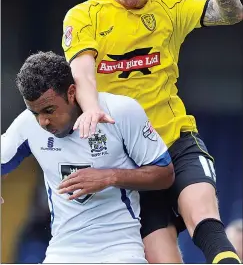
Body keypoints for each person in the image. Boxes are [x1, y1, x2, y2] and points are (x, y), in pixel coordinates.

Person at [62, 0, 243, 264]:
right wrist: (91, 106)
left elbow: (233, 13)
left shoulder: (171, 8)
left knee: (207, 226)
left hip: (175, 140)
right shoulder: (83, 16)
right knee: (164, 259)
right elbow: (82, 71)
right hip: (131, 162)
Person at [1, 51, 174, 264]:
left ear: (71, 92)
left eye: (49, 110)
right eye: (35, 113)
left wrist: (109, 177)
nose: (43, 122)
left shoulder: (120, 111)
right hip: (62, 252)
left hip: (121, 251)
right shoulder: (28, 124)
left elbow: (165, 174)